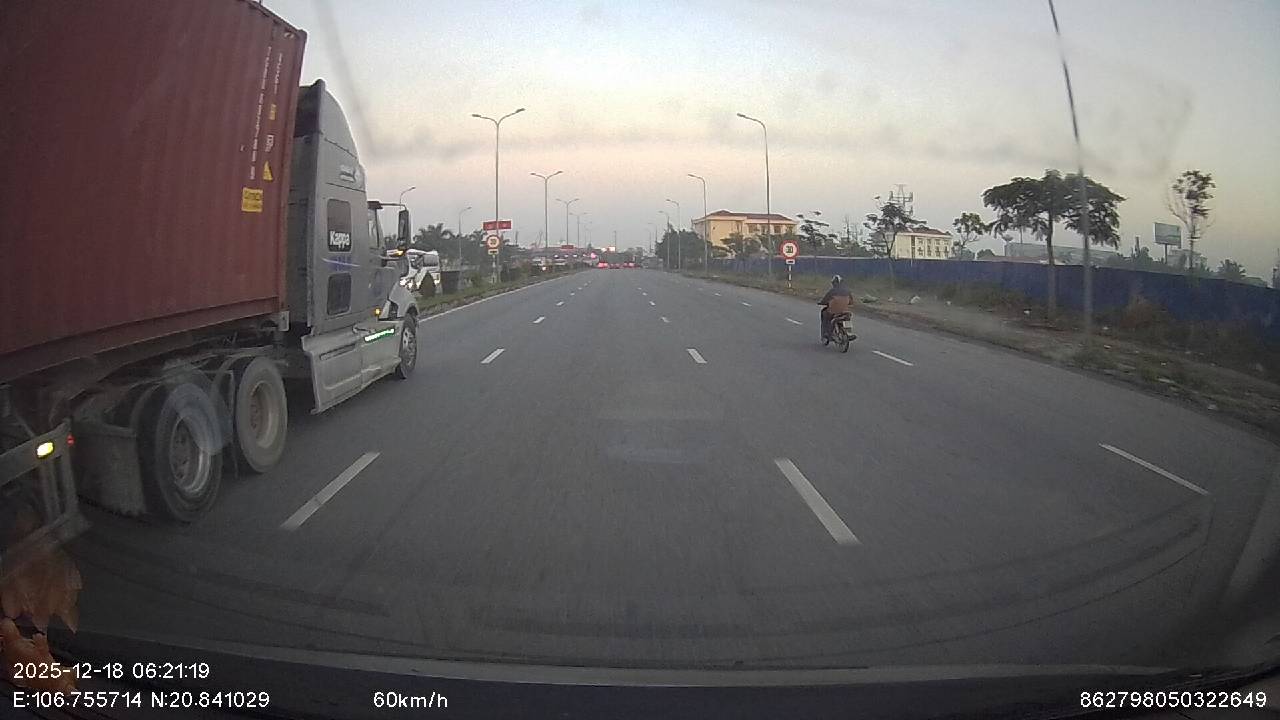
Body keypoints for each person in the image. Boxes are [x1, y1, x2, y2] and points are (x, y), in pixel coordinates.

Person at [818, 274, 854, 341]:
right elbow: (851, 302)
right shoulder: (848, 291)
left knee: (825, 315)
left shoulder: (832, 291)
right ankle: (849, 333)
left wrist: (821, 302)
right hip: (845, 312)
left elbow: (824, 300)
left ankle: (826, 333)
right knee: (847, 319)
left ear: (834, 283)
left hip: (833, 312)